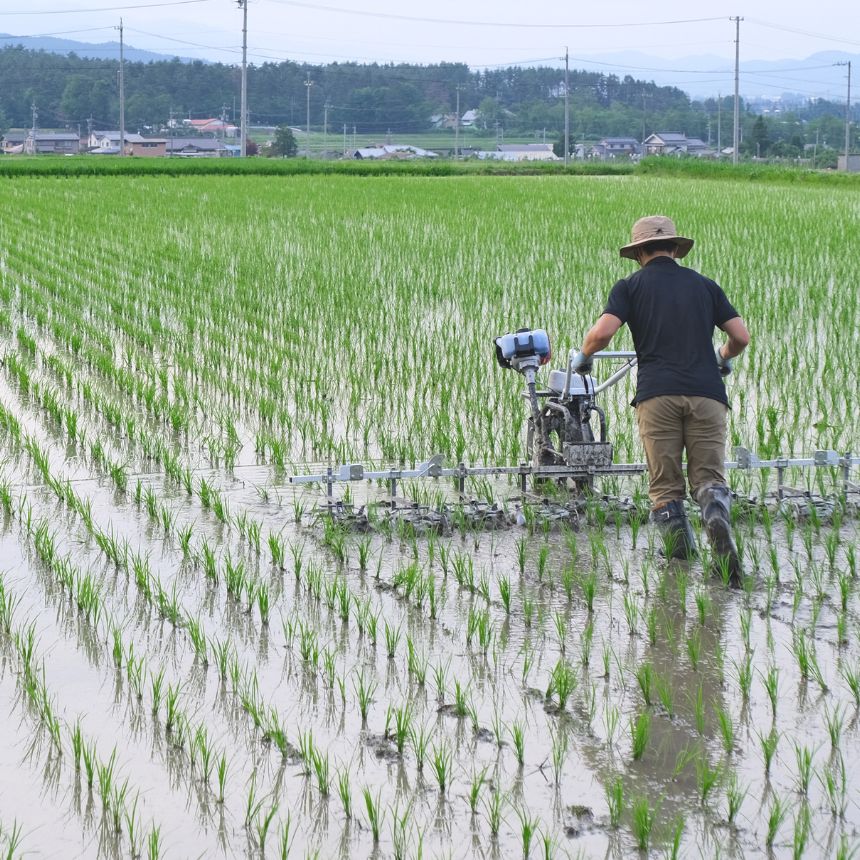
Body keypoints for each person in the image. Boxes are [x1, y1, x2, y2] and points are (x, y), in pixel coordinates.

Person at [572, 215, 750, 582]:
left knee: (666, 485)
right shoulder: (705, 286)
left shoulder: (630, 287)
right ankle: (715, 511)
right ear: (674, 248)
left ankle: (679, 566)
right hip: (708, 395)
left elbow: (603, 332)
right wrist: (723, 357)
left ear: (639, 253)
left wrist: (585, 356)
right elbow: (741, 337)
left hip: (658, 397)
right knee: (708, 478)